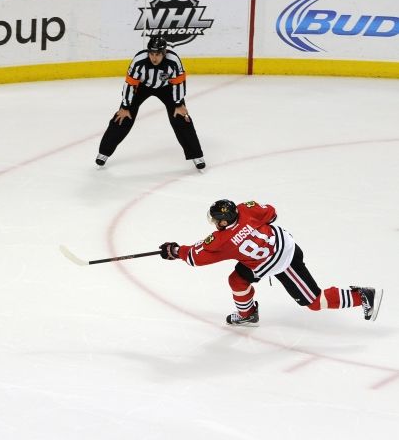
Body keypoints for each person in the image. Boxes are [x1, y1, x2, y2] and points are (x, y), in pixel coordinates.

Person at [159, 199, 383, 325]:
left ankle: (362, 295)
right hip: (278, 246)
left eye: (216, 220)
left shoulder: (222, 241)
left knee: (314, 302)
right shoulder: (246, 209)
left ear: (224, 221)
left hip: (283, 262)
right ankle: (247, 314)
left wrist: (174, 250)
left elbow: (194, 257)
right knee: (237, 279)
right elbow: (271, 214)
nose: (214, 223)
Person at [95, 36, 205, 170]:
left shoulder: (173, 61)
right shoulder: (139, 61)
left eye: (158, 54)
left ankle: (196, 155)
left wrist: (178, 104)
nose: (154, 58)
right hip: (141, 87)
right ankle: (104, 152)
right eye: (151, 53)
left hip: (166, 88)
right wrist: (125, 106)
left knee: (181, 118)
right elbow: (130, 84)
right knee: (122, 117)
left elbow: (179, 82)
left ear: (164, 53)